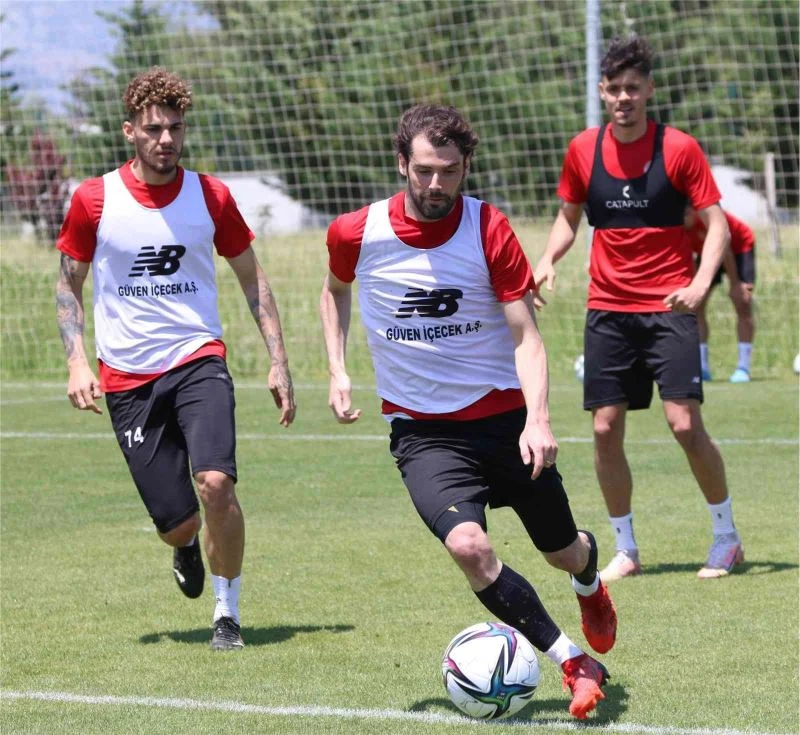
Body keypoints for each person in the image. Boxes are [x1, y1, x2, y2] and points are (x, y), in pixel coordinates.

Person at [320, 104, 617, 720]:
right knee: (469, 546)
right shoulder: (355, 233)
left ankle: (589, 579)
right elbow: (335, 291)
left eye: (449, 171)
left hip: (504, 422)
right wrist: (337, 368)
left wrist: (538, 418)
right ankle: (573, 662)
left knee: (562, 551)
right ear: (401, 163)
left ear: (466, 168)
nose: (436, 184)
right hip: (424, 434)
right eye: (424, 170)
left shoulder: (487, 228)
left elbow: (526, 335)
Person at [55, 67, 296, 650]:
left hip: (198, 358)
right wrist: (77, 361)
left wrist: (278, 360)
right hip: (126, 377)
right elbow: (68, 283)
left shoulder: (211, 196)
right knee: (178, 522)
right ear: (129, 132)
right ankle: (184, 544)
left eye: (175, 128)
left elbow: (252, 277)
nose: (166, 139)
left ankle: (227, 614)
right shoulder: (93, 200)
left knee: (216, 482)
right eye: (153, 129)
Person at [533, 35, 744, 582]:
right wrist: (549, 258)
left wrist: (700, 283)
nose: (623, 97)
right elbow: (568, 217)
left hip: (670, 306)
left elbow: (718, 225)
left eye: (633, 88)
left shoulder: (679, 148)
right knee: (605, 429)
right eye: (614, 89)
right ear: (602, 92)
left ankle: (726, 537)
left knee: (683, 424)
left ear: (649, 90)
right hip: (607, 309)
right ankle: (625, 548)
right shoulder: (583, 149)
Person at [684, 206, 756, 383]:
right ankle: (702, 367)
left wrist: (735, 284)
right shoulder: (678, 226)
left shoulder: (707, 218)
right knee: (696, 305)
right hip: (708, 253)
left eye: (684, 214)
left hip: (738, 248)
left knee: (742, 303)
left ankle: (743, 367)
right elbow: (687, 256)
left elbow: (725, 251)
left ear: (692, 211)